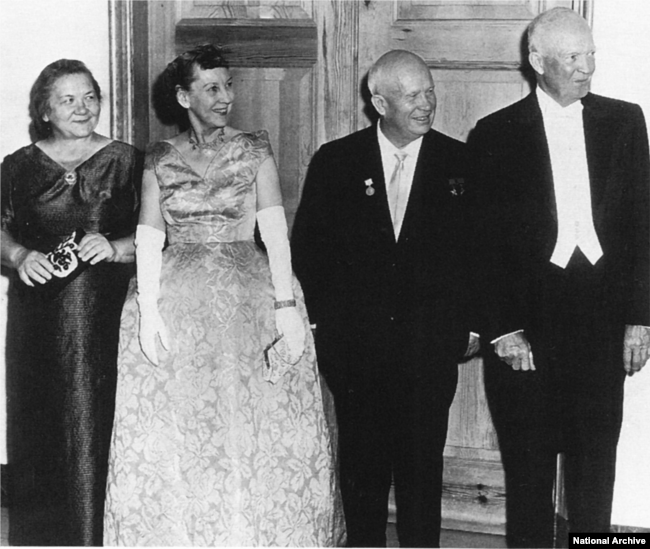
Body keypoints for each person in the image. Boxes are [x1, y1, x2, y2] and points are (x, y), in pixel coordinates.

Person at [103, 44, 344, 546]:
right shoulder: (160, 156)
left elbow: (275, 231)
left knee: (250, 423)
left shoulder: (255, 147)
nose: (225, 97)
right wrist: (148, 310)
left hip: (247, 298)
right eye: (212, 87)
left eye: (229, 85)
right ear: (183, 95)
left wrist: (286, 307)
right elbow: (149, 236)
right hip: (179, 301)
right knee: (187, 424)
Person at [469, 7, 650, 546]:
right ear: (536, 61)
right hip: (529, 335)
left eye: (591, 54)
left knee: (595, 475)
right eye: (573, 57)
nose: (586, 67)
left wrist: (641, 318)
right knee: (528, 478)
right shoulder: (495, 134)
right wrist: (501, 330)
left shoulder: (625, 121)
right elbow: (480, 246)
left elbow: (645, 223)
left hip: (601, 329)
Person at [291, 49, 480, 548]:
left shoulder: (460, 163)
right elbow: (309, 255)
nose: (427, 103)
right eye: (412, 95)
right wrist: (325, 334)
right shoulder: (336, 162)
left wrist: (472, 328)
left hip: (430, 352)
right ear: (379, 102)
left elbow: (482, 256)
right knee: (362, 476)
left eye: (429, 91)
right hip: (356, 356)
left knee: (422, 478)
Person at [0, 59, 142, 546]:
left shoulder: (127, 159)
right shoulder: (18, 166)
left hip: (103, 319)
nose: (83, 108)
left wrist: (117, 247)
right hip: (35, 321)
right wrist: (18, 254)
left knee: (96, 421)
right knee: (37, 424)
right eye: (68, 99)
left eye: (90, 97)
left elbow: (161, 232)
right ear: (44, 109)